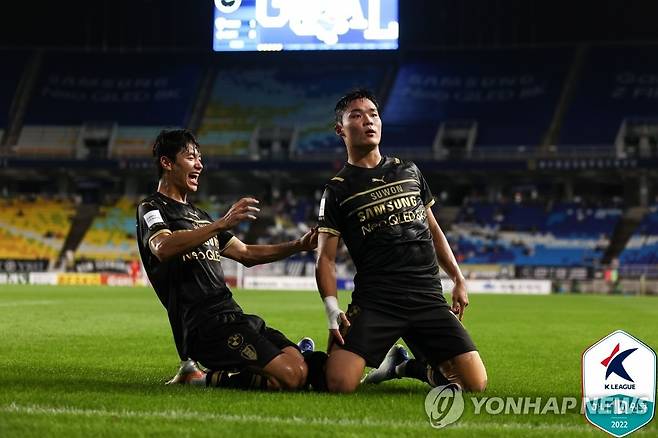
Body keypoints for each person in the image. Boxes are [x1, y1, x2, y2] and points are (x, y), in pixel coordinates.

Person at [315, 89, 488, 393]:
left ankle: (404, 366)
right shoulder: (337, 190)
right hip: (377, 301)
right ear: (340, 129)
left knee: (475, 384)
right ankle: (307, 356)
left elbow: (434, 231)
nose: (368, 121)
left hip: (427, 297)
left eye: (373, 114)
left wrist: (458, 279)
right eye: (357, 115)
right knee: (339, 384)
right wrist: (332, 311)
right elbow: (325, 259)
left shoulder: (409, 171)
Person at [136, 129, 325, 391]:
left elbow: (245, 253)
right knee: (292, 376)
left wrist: (298, 245)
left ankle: (263, 369)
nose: (199, 164)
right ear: (167, 163)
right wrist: (220, 224)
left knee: (301, 370)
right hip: (204, 327)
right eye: (191, 157)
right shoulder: (152, 208)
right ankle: (202, 379)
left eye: (200, 158)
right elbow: (163, 247)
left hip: (234, 317)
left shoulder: (199, 215)